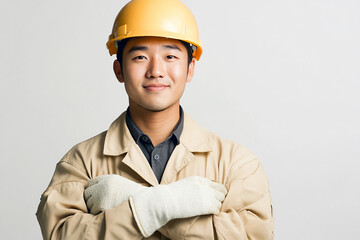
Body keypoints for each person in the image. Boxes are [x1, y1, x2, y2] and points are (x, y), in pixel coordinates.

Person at [36, 0, 274, 239]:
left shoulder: (236, 165)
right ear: (119, 70)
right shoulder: (80, 164)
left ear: (190, 68)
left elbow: (253, 235)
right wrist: (161, 207)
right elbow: (61, 235)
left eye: (170, 56)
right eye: (140, 57)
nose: (156, 70)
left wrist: (141, 206)